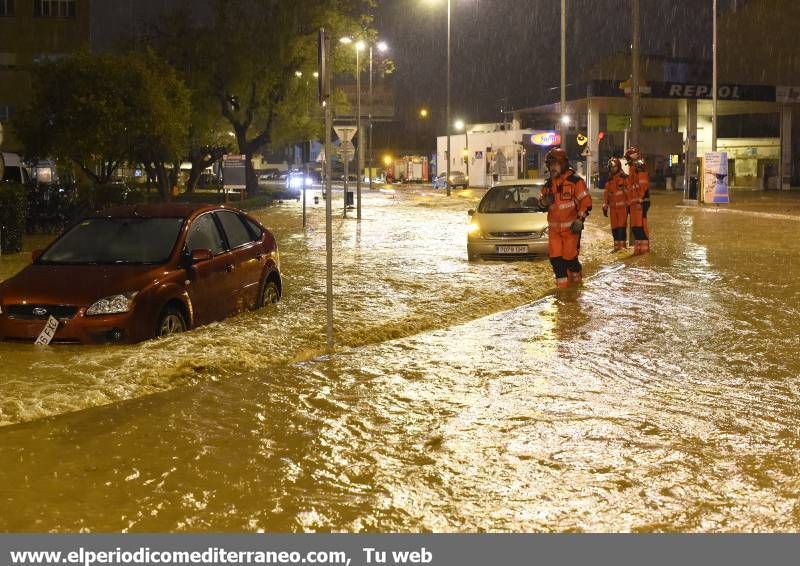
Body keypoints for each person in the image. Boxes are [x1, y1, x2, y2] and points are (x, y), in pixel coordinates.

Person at [539, 147, 592, 288]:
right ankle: (562, 295)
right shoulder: (547, 186)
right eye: (550, 165)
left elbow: (586, 202)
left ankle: (576, 278)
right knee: (556, 260)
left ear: (563, 164)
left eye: (555, 164)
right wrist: (544, 202)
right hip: (554, 231)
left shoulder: (575, 182)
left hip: (571, 230)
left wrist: (579, 220)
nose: (552, 168)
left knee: (569, 259)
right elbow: (541, 205)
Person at [624, 146, 651, 254]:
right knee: (635, 227)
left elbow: (643, 185)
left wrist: (639, 198)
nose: (627, 161)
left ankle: (643, 252)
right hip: (635, 202)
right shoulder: (633, 167)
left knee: (639, 226)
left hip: (641, 201)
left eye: (627, 159)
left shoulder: (639, 167)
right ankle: (639, 249)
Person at [602, 157, 629, 251]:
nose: (612, 169)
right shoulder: (609, 180)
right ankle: (616, 247)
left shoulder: (624, 178)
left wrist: (630, 205)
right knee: (614, 228)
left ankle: (622, 247)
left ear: (618, 166)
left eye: (614, 167)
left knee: (621, 228)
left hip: (622, 208)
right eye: (611, 167)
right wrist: (605, 205)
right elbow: (606, 194)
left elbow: (629, 193)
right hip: (613, 209)